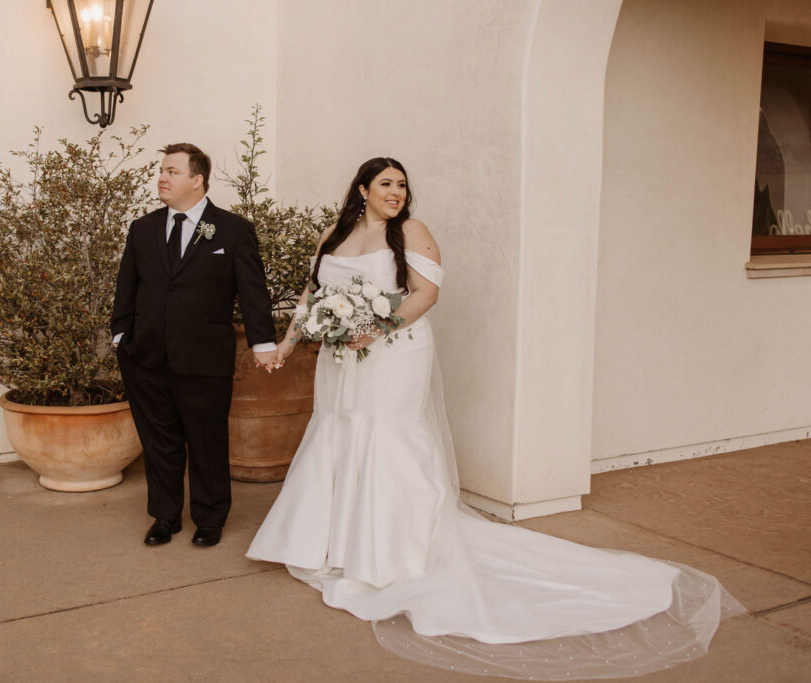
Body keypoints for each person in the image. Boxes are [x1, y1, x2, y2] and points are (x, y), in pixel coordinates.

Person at [246, 158, 740, 678]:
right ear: (363, 189)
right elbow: (313, 295)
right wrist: (289, 341)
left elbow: (427, 292)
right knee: (339, 435)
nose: (396, 192)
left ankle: (392, 551)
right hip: (341, 358)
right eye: (386, 184)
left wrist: (378, 326)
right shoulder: (333, 234)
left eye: (403, 185)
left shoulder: (411, 230)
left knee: (388, 438)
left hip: (393, 352)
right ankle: (337, 543)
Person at [111, 143, 278, 548]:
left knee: (207, 441)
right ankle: (165, 517)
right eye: (162, 171)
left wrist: (264, 342)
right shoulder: (143, 228)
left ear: (196, 179)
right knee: (159, 442)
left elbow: (252, 290)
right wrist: (121, 337)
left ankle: (210, 517)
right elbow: (126, 288)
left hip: (204, 357)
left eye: (171, 171)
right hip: (146, 356)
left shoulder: (234, 229)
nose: (162, 178)